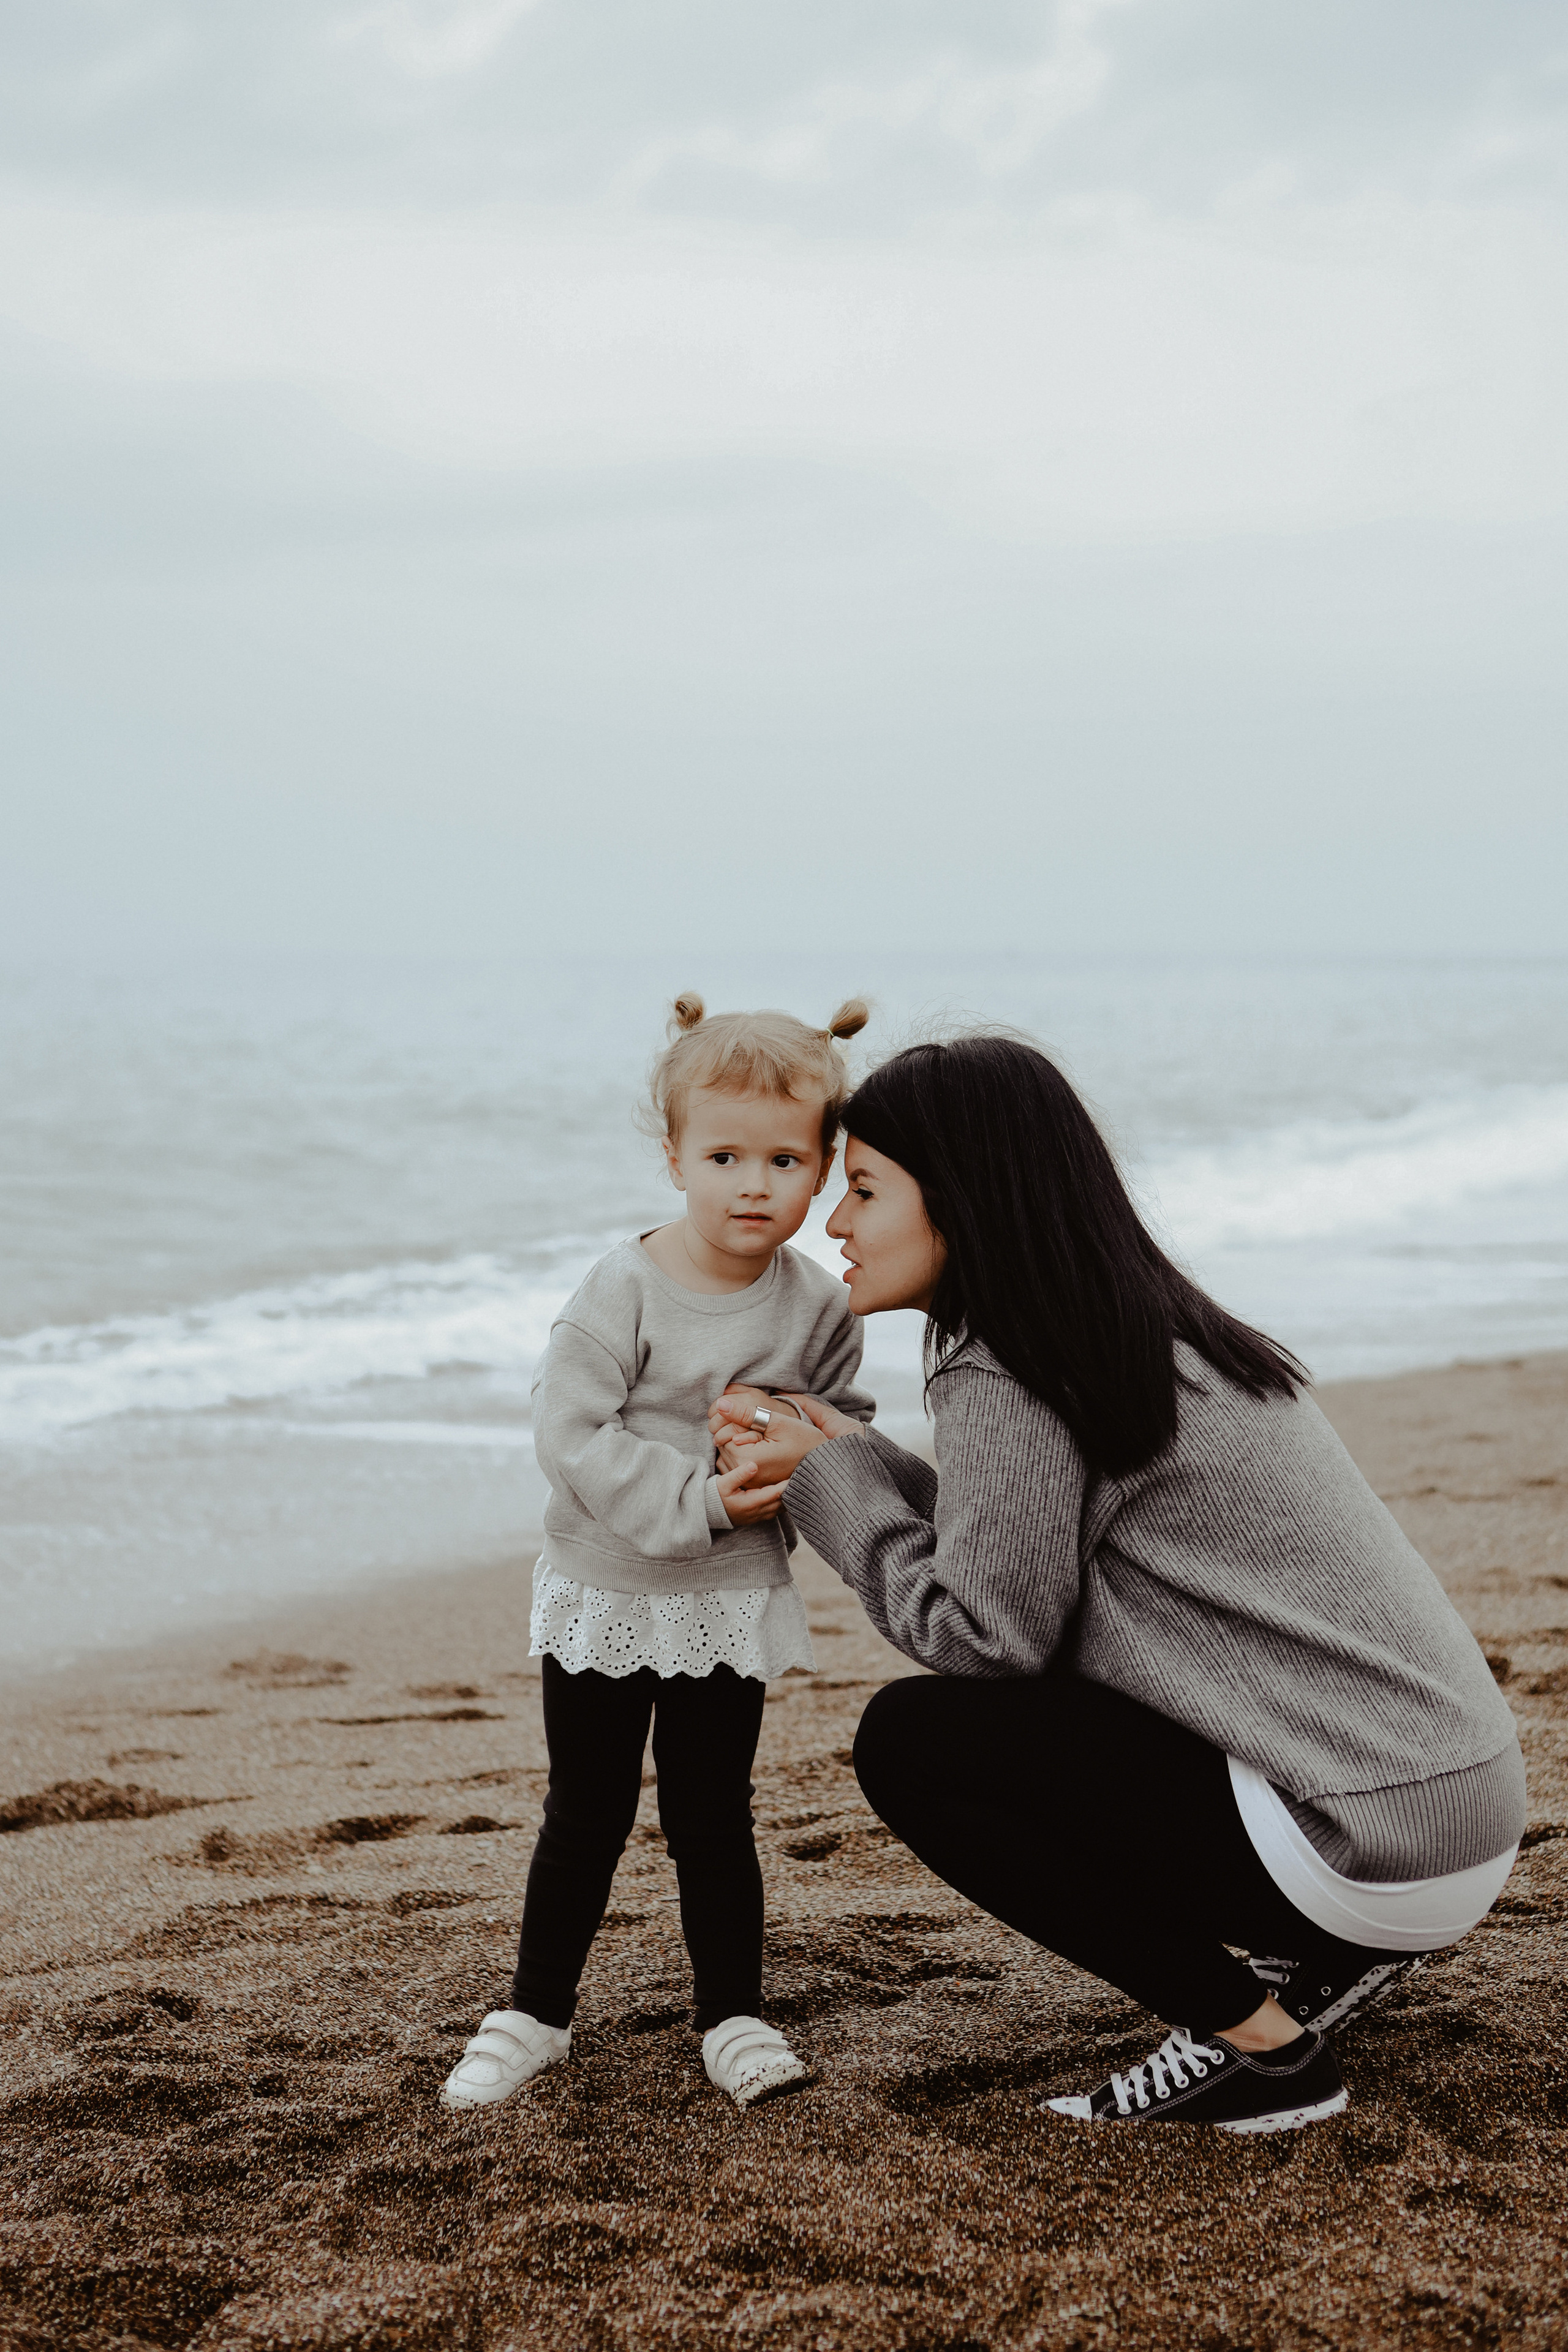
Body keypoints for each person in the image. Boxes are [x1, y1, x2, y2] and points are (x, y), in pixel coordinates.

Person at [710, 1031, 1525, 2136]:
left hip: (1362, 1836)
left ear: (964, 1198)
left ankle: (1266, 2053)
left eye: (861, 1188)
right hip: (1446, 1809)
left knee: (916, 1741)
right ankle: (1309, 1961)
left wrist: (829, 1488)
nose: (832, 1222)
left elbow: (984, 1634)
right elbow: (1028, 1543)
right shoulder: (1127, 1324)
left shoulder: (1007, 1365)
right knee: (1018, 1712)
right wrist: (845, 1461)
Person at [441, 993, 875, 2116]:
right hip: (607, 1586)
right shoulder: (621, 1287)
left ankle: (732, 2014)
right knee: (585, 1808)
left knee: (713, 1813)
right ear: (674, 1153)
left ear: (824, 1166)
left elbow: (842, 1426)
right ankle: (535, 2014)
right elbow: (569, 1435)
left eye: (785, 1159)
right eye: (724, 1154)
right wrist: (706, 1494)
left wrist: (784, 1429)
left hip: (725, 1601)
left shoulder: (820, 1306)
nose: (753, 1184)